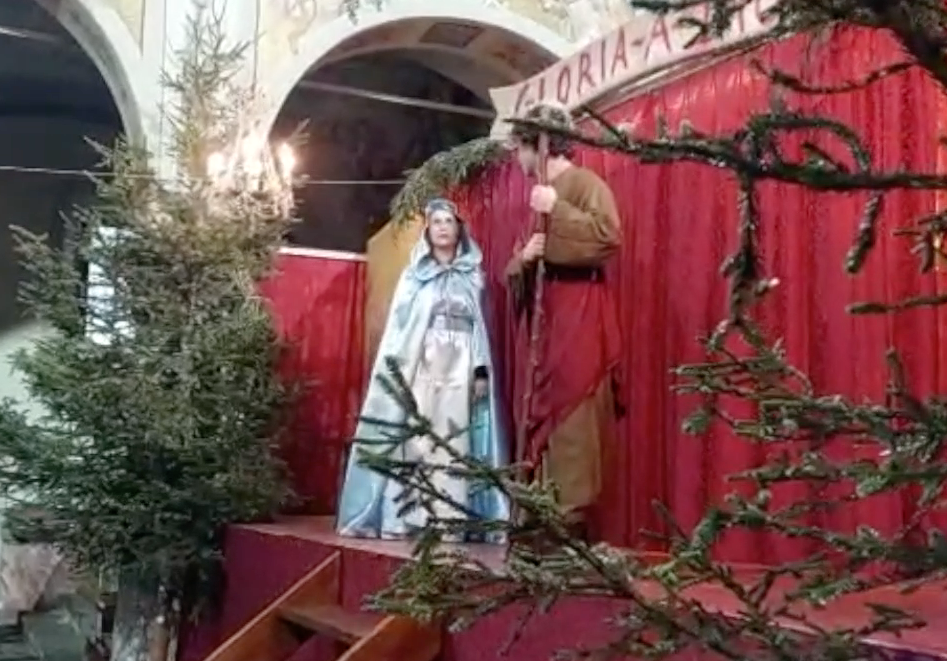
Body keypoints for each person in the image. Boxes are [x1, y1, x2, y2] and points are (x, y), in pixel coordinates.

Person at [336, 198, 508, 542]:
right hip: (423, 369)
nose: (443, 228)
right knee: (419, 440)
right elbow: (402, 332)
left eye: (449, 221)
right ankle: (408, 517)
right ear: (428, 231)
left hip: (460, 372)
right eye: (436, 222)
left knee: (455, 441)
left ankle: (450, 519)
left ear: (459, 230)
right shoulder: (414, 277)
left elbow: (482, 332)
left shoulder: (473, 278)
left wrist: (480, 373)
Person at [505, 103, 624, 540]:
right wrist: (523, 260)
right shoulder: (537, 194)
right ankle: (537, 511)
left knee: (573, 409)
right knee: (543, 408)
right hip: (546, 324)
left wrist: (558, 209)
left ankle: (567, 518)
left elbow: (608, 238)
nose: (517, 158)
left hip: (579, 317)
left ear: (538, 145)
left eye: (519, 148)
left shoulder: (584, 185)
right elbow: (517, 267)